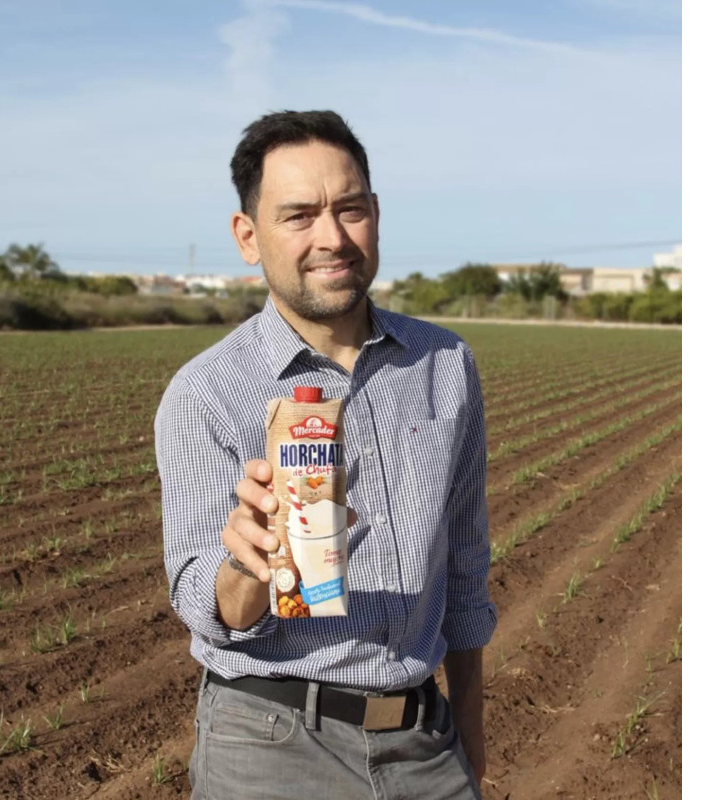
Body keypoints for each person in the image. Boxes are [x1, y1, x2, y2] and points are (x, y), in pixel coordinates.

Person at [155, 110, 497, 800]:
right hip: (270, 745)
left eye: (350, 209)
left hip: (425, 742)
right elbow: (203, 600)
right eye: (299, 216)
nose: (332, 238)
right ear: (247, 237)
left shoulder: (443, 364)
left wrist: (470, 729)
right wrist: (247, 564)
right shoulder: (206, 392)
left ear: (376, 215)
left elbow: (464, 566)